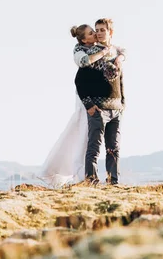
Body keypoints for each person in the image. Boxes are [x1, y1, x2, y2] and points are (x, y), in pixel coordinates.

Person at [37, 24, 113, 187]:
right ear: (84, 39)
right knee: (83, 135)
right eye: (91, 33)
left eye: (95, 32)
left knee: (86, 136)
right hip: (85, 100)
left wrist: (115, 54)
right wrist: (103, 53)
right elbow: (84, 64)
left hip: (96, 99)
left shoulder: (96, 47)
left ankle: (82, 175)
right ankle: (82, 176)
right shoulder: (80, 51)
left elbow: (119, 50)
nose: (95, 35)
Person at [75, 18, 126, 185]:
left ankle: (114, 182)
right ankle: (91, 182)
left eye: (102, 29)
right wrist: (89, 105)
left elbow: (120, 79)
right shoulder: (90, 53)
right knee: (94, 148)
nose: (98, 33)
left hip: (116, 108)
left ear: (110, 32)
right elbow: (79, 81)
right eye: (96, 30)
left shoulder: (117, 54)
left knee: (114, 148)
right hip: (98, 108)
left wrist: (123, 102)